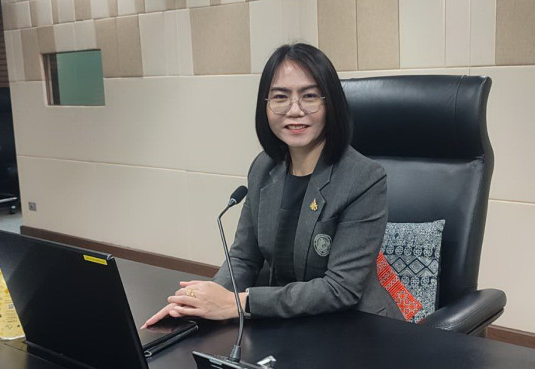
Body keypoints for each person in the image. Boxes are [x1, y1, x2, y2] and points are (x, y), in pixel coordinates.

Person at [143, 43, 402, 326]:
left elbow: (340, 288)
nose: (294, 110)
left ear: (331, 104)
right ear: (265, 105)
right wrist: (200, 302)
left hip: (353, 326)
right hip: (285, 321)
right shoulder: (264, 167)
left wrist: (239, 303)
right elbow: (243, 259)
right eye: (280, 97)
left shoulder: (364, 178)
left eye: (309, 96)